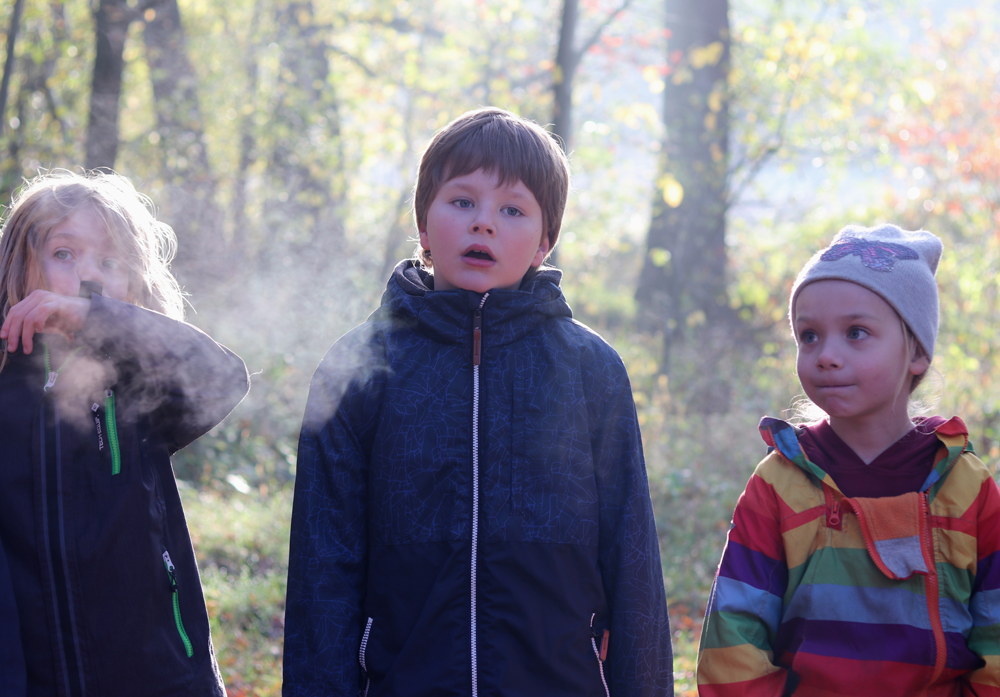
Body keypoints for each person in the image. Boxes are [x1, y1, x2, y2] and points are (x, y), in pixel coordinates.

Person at [283, 107, 672, 697]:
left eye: (512, 210)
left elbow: (634, 561)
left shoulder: (590, 370)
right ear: (423, 224)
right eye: (462, 202)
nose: (483, 224)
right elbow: (321, 572)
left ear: (545, 242)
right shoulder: (359, 368)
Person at [697, 224, 1000, 696]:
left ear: (917, 351)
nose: (826, 356)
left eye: (856, 333)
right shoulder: (780, 484)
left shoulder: (965, 486)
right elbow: (734, 635)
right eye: (809, 336)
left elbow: (996, 631)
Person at [0, 170, 249, 696]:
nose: (89, 276)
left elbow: (221, 380)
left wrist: (99, 320)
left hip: (155, 675)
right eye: (64, 254)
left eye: (110, 263)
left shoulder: (140, 384)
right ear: (18, 269)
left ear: (133, 289)